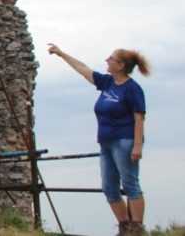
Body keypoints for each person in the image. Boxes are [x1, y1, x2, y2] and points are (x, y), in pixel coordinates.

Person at [48, 43, 149, 235]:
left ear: (120, 65)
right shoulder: (107, 83)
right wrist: (62, 54)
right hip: (106, 142)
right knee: (109, 187)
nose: (107, 61)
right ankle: (124, 226)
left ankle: (136, 229)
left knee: (130, 184)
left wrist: (137, 145)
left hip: (125, 141)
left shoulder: (132, 89)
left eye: (111, 58)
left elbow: (139, 118)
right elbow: (83, 69)